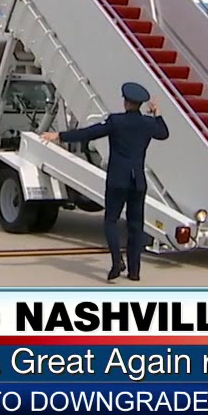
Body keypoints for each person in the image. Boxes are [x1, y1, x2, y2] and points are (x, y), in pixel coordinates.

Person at [44, 82, 169, 282]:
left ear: (126, 102)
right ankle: (134, 272)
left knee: (111, 221)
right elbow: (164, 133)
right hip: (138, 181)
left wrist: (59, 135)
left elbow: (88, 133)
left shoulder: (116, 121)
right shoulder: (148, 124)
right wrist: (157, 114)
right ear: (139, 104)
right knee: (135, 226)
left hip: (117, 180)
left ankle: (117, 261)